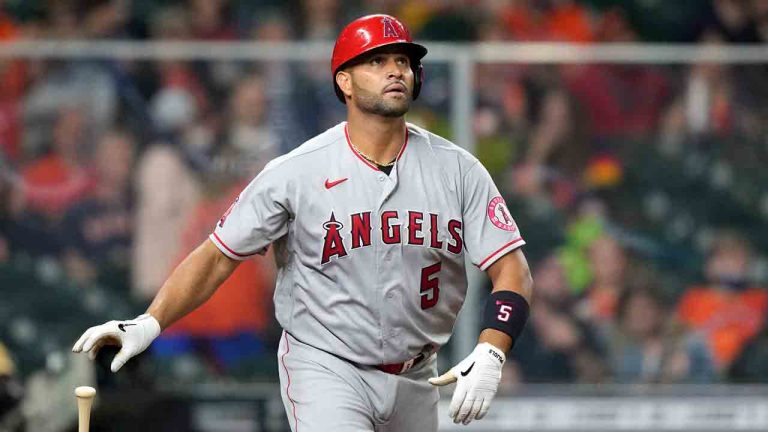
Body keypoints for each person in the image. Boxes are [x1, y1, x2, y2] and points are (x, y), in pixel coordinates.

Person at [72, 14, 533, 431]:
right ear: (345, 82)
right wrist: (150, 323)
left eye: (402, 60)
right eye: (377, 61)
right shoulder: (297, 172)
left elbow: (511, 268)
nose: (395, 70)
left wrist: (492, 349)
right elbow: (218, 255)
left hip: (417, 372)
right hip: (326, 365)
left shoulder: (457, 169)